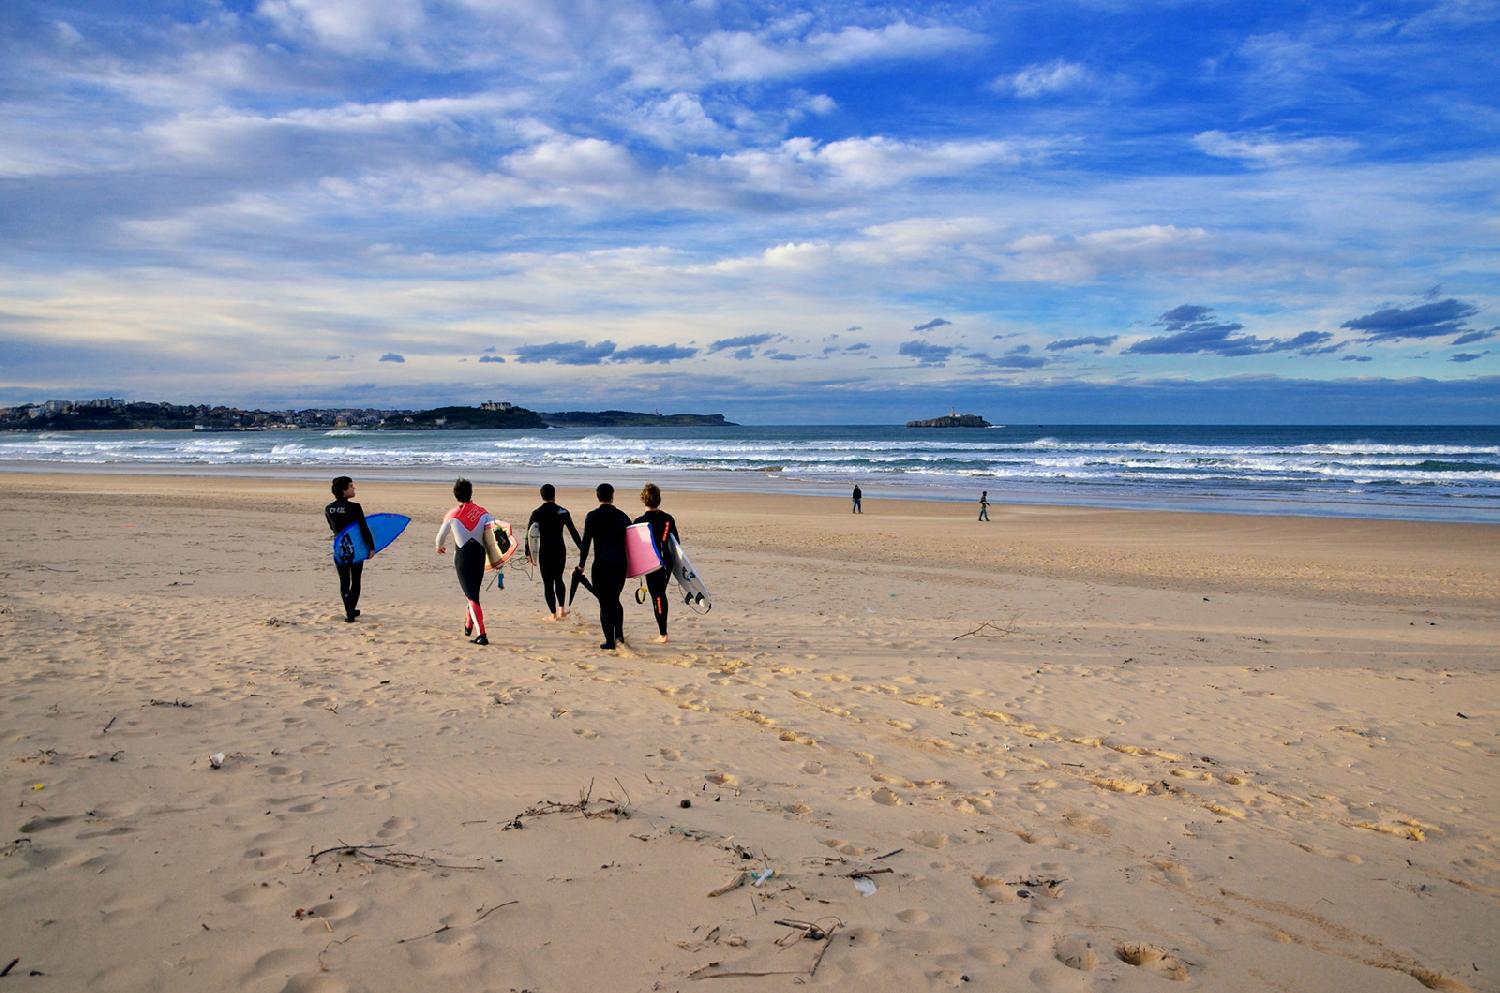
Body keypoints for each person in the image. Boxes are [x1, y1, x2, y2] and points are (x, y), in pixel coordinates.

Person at [435, 477, 494, 646]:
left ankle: (481, 634)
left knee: (471, 596)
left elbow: (440, 538)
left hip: (463, 559)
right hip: (479, 556)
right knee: (472, 593)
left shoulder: (452, 515)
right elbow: (496, 529)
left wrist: (439, 547)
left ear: (455, 495)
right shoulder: (483, 513)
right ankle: (468, 625)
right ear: (471, 493)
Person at [575, 482, 630, 651]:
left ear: (598, 496)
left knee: (605, 604)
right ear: (612, 496)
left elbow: (586, 543)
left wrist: (581, 564)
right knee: (614, 600)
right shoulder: (623, 517)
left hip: (601, 566)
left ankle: (610, 641)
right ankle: (619, 635)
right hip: (620, 565)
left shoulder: (592, 516)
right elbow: (632, 544)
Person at [527, 483, 582, 622]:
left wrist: (529, 553)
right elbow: (574, 533)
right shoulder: (563, 512)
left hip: (545, 551)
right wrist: (583, 548)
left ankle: (553, 615)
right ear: (554, 494)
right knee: (558, 579)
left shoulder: (537, 513)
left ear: (542, 496)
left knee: (547, 583)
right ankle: (562, 610)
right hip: (559, 550)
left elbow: (529, 535)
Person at [325, 476, 375, 623]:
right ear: (344, 490)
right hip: (355, 548)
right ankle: (350, 611)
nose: (354, 488)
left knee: (344, 580)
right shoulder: (354, 507)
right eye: (351, 486)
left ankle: (349, 610)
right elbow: (364, 529)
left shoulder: (329, 508)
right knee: (356, 579)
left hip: (339, 548)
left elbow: (332, 528)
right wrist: (371, 547)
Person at [634, 482, 679, 644]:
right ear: (658, 499)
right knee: (659, 594)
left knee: (657, 595)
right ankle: (662, 632)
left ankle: (663, 634)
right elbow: (676, 545)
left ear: (643, 500)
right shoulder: (668, 519)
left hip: (651, 564)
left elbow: (635, 549)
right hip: (666, 561)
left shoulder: (639, 522)